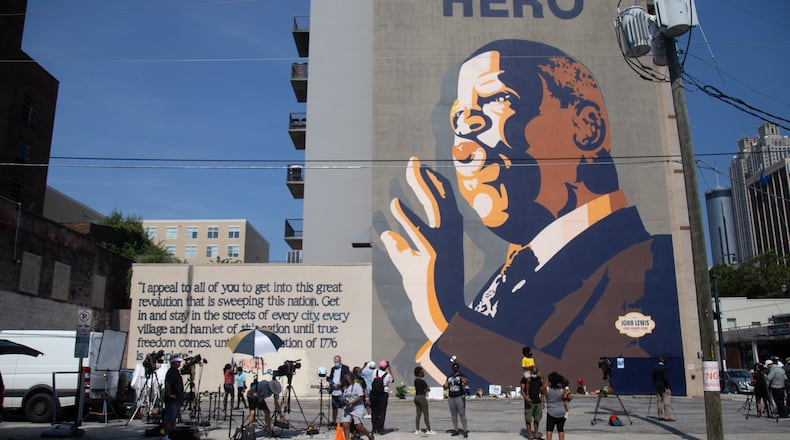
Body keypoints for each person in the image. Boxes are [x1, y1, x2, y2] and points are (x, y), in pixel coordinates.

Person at [381, 39, 684, 390]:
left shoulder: (650, 265)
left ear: (587, 128)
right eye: (458, 121)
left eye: (497, 100)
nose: (463, 149)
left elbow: (571, 381)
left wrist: (445, 315)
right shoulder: (511, 272)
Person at [341, 373, 374, 440]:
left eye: (348, 379)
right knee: (345, 425)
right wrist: (345, 402)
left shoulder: (357, 386)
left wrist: (351, 402)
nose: (347, 381)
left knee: (358, 426)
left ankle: (369, 436)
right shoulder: (346, 387)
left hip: (357, 408)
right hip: (348, 408)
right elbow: (345, 397)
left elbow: (360, 396)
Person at [542, 372, 570, 440]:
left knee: (549, 429)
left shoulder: (547, 389)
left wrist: (547, 381)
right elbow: (569, 397)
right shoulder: (562, 390)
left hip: (551, 411)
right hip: (561, 411)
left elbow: (543, 388)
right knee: (560, 429)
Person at [443, 363, 468, 437]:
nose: (455, 369)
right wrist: (444, 386)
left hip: (459, 396)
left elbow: (466, 382)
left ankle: (465, 430)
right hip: (451, 397)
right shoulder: (449, 377)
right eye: (454, 368)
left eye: (456, 368)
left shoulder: (461, 376)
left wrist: (464, 381)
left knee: (462, 414)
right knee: (454, 415)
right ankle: (456, 430)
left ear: (458, 369)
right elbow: (446, 386)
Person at [162, 356, 185, 438]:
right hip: (172, 400)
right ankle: (166, 435)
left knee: (173, 418)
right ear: (173, 363)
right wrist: (169, 394)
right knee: (169, 417)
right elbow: (168, 384)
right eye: (178, 362)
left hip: (176, 399)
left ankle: (173, 433)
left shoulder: (176, 372)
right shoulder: (171, 372)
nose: (179, 363)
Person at [521, 366, 545, 440]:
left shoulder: (539, 379)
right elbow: (522, 390)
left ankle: (536, 434)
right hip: (529, 402)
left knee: (537, 419)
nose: (535, 374)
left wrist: (542, 402)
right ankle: (529, 434)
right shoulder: (525, 379)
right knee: (528, 419)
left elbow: (542, 391)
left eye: (536, 372)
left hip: (537, 401)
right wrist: (526, 398)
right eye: (533, 372)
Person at [370, 360, 393, 434]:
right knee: (382, 412)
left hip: (373, 393)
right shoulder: (388, 375)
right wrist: (390, 370)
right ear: (386, 367)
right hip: (383, 394)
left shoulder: (375, 371)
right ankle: (380, 428)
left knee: (374, 411)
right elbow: (392, 380)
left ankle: (374, 428)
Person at [328, 355, 350, 427]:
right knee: (334, 406)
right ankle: (334, 421)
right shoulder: (333, 369)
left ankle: (344, 420)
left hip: (341, 389)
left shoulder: (345, 368)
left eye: (337, 361)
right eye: (335, 362)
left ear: (340, 361)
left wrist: (342, 383)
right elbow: (331, 377)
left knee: (343, 405)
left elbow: (347, 377)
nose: (336, 363)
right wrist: (331, 383)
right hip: (334, 390)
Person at [413, 366, 435, 435]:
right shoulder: (422, 381)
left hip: (416, 397)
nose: (424, 373)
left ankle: (417, 430)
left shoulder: (415, 380)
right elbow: (428, 389)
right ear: (419, 373)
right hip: (422, 397)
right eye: (422, 372)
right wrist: (425, 389)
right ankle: (429, 430)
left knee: (418, 415)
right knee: (426, 414)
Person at [651, 356, 673, 421]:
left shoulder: (655, 368)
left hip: (657, 386)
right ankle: (667, 416)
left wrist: (655, 383)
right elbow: (665, 378)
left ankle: (660, 416)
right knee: (666, 402)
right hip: (664, 386)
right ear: (663, 361)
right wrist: (668, 386)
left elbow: (653, 377)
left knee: (659, 401)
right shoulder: (664, 368)